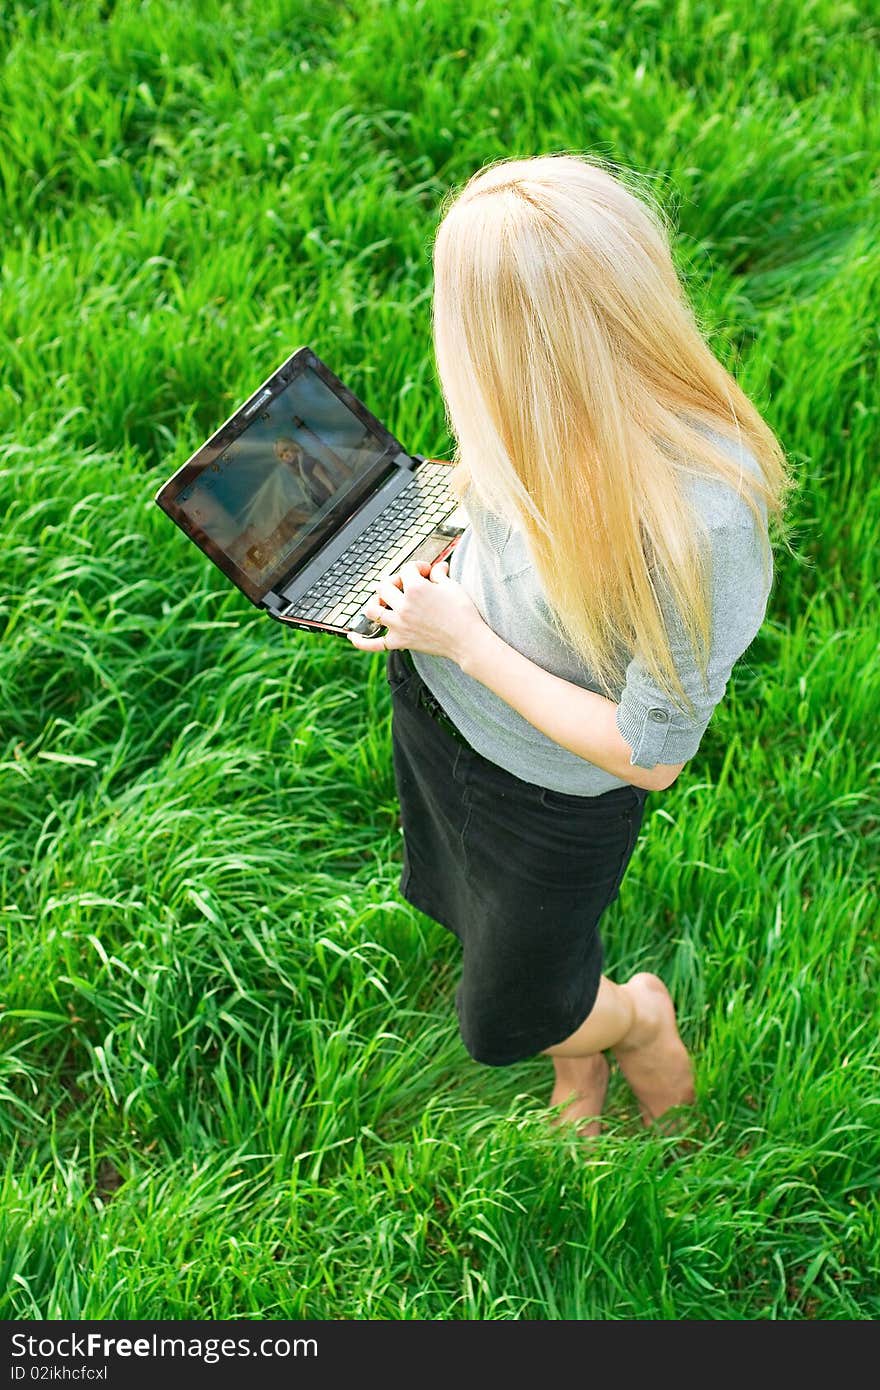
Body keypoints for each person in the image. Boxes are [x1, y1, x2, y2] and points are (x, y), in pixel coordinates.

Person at [347, 153, 796, 1138]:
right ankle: (579, 1051)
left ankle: (632, 1021)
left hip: (546, 788)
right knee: (474, 919)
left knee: (509, 1012)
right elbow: (504, 505)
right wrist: (433, 521)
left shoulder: (696, 522)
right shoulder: (527, 414)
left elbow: (653, 753)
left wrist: (461, 640)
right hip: (439, 711)